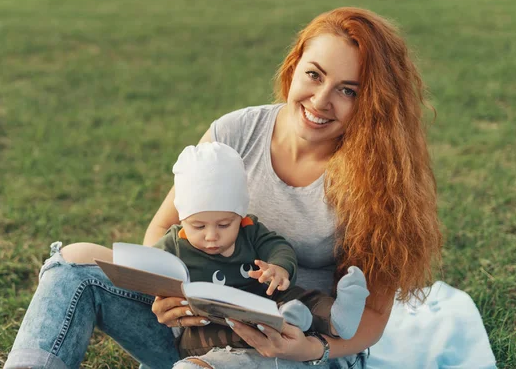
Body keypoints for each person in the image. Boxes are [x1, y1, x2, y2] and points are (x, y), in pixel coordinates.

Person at [4, 7, 442, 369]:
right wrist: (167, 294)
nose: (321, 100)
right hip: (197, 328)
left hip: (294, 347)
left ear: (373, 103)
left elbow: (374, 316)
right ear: (294, 68)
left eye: (347, 90)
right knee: (72, 265)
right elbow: (163, 227)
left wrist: (311, 348)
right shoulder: (236, 132)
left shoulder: (379, 178)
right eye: (314, 75)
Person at [153, 141, 369, 362]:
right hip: (212, 321)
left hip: (264, 302)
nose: (211, 236)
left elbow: (278, 247)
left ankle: (336, 318)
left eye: (225, 224)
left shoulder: (250, 230)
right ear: (182, 220)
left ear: (240, 216)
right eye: (198, 227)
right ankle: (286, 324)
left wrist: (278, 268)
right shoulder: (174, 242)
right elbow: (149, 264)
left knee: (302, 297)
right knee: (216, 329)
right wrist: (160, 288)